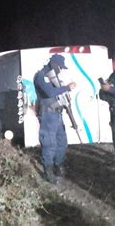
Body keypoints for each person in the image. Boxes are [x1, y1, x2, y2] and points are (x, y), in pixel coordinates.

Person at [34, 54, 76, 184]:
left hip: (57, 114)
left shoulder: (54, 77)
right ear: (53, 64)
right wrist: (67, 87)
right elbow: (50, 93)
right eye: (59, 67)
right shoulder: (41, 76)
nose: (60, 70)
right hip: (48, 115)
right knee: (49, 144)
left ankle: (58, 165)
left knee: (62, 142)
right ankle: (48, 170)